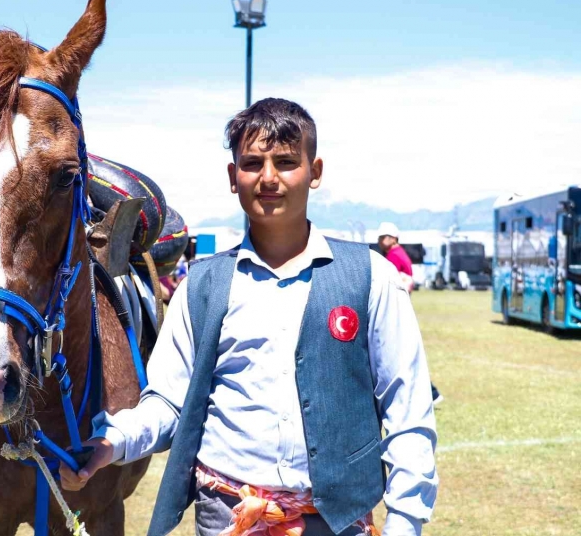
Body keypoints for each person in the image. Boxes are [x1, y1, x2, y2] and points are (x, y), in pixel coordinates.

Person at [61, 99, 438, 536]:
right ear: (232, 177)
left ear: (315, 172)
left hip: (338, 524)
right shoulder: (200, 287)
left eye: (286, 162)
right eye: (253, 163)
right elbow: (167, 402)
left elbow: (407, 411)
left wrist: (406, 523)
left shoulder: (371, 277)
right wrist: (113, 441)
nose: (269, 178)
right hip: (227, 520)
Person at [377, 223, 443, 405]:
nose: (380, 241)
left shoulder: (393, 256)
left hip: (394, 308)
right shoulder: (400, 254)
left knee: (398, 354)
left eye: (383, 237)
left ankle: (431, 392)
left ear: (393, 238)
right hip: (401, 306)